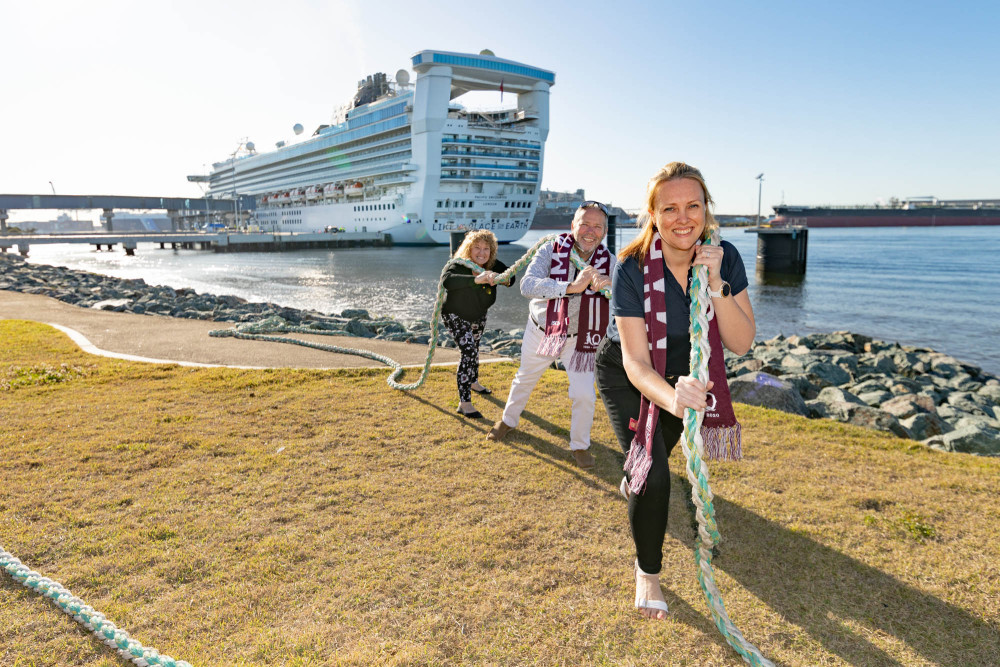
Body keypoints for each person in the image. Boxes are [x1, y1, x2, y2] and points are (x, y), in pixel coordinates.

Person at [594, 162, 755, 619]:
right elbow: (635, 362)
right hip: (632, 375)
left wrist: (719, 284)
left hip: (689, 375)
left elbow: (741, 342)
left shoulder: (725, 257)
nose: (683, 218)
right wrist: (671, 399)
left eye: (693, 206)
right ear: (652, 214)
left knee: (655, 454)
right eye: (670, 208)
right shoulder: (631, 267)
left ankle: (635, 477)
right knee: (655, 472)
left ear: (706, 210)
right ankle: (648, 571)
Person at [487, 201, 615, 469]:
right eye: (584, 224)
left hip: (580, 339)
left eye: (597, 226)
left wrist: (611, 286)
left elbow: (626, 299)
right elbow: (527, 284)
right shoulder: (550, 249)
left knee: (584, 395)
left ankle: (580, 445)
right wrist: (571, 286)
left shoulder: (609, 262)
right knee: (524, 379)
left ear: (604, 231)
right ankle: (508, 421)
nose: (590, 231)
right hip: (541, 331)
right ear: (573, 226)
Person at [441, 230, 515, 418]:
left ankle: (473, 381)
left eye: (486, 249)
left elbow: (511, 278)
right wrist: (476, 279)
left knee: (474, 346)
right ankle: (464, 403)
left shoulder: (492, 265)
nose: (481, 253)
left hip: (478, 314)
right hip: (455, 314)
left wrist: (502, 279)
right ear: (469, 248)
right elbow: (447, 281)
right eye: (477, 248)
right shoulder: (459, 264)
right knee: (468, 352)